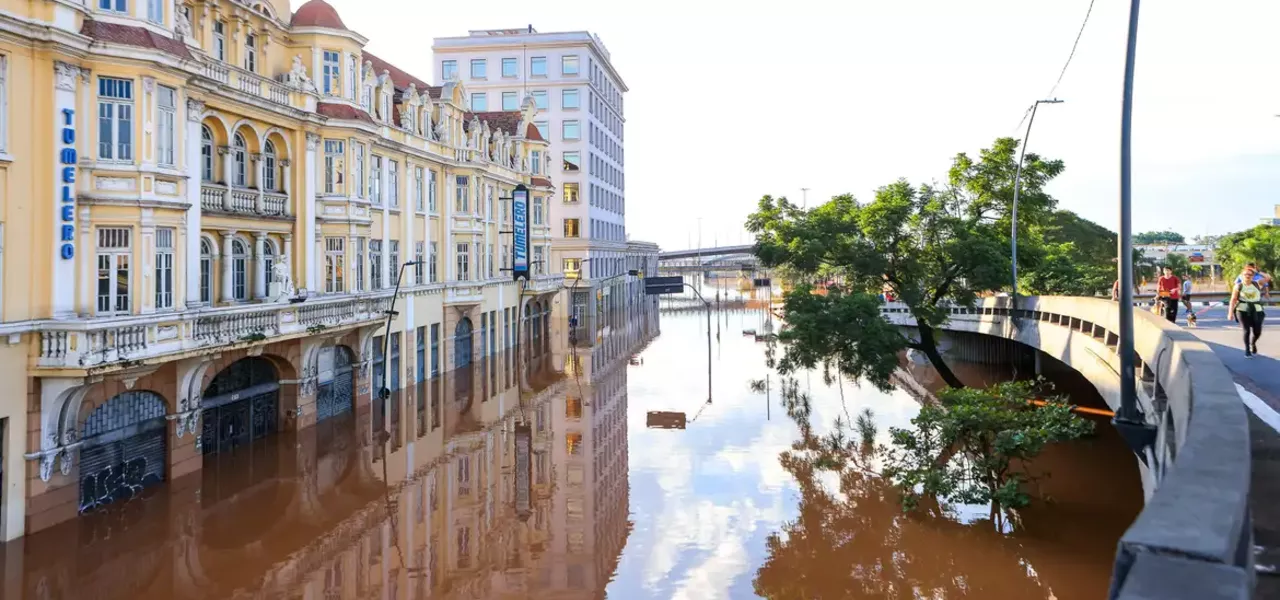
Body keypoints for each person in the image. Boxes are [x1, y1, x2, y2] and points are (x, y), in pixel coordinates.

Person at [1230, 270, 1267, 358]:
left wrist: (1257, 271)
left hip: (1257, 310)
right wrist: (1230, 313)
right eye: (1246, 274)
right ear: (1242, 276)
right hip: (1242, 310)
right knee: (1246, 330)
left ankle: (1253, 343)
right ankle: (1247, 350)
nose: (1248, 276)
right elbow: (1233, 299)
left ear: (1253, 276)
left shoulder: (1257, 284)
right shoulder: (1238, 286)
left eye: (1250, 274)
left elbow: (1267, 277)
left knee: (1257, 331)